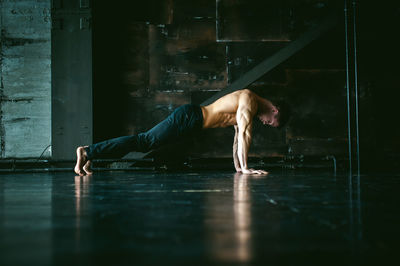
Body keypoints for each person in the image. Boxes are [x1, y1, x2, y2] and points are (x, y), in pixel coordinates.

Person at [74, 89, 291, 176]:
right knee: (144, 141)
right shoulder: (248, 99)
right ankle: (86, 151)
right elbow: (245, 133)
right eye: (271, 121)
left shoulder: (247, 109)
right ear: (275, 110)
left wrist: (238, 167)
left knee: (144, 142)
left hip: (191, 123)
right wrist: (246, 169)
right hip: (189, 117)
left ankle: (91, 155)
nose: (266, 123)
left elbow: (237, 139)